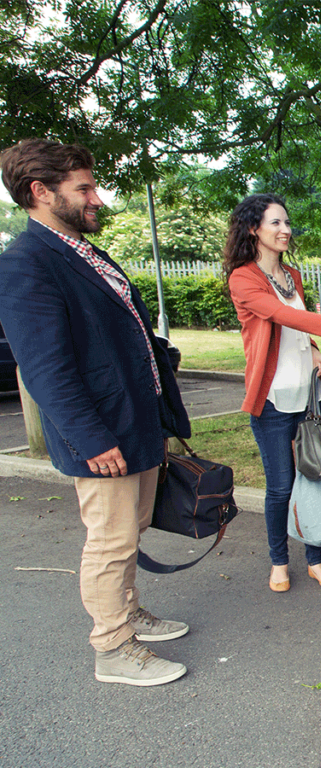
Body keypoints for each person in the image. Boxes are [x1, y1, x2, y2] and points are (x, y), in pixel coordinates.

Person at [0, 139, 192, 686]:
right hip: (102, 434)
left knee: (131, 529)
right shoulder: (25, 264)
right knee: (110, 540)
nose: (97, 199)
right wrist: (90, 438)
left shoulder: (88, 252)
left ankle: (127, 612)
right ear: (41, 192)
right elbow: (45, 369)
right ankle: (112, 647)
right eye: (83, 188)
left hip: (137, 422)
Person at [224, 193, 321, 593]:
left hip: (307, 395)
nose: (285, 230)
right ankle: (279, 561)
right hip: (273, 400)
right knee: (280, 487)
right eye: (275, 223)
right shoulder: (243, 278)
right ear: (253, 229)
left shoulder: (292, 275)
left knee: (312, 479)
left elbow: (294, 329)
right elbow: (280, 314)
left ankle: (315, 559)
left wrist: (314, 350)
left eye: (287, 222)